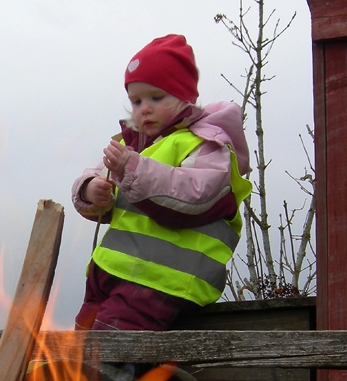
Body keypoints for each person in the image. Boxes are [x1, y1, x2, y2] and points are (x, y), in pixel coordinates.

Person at [71, 34, 252, 332]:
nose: (144, 108)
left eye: (156, 97)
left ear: (185, 98)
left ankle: (112, 378)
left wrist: (131, 169)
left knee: (108, 350)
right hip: (114, 273)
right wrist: (91, 189)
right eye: (136, 100)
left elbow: (196, 194)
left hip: (163, 280)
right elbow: (96, 174)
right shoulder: (135, 146)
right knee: (77, 347)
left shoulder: (205, 144)